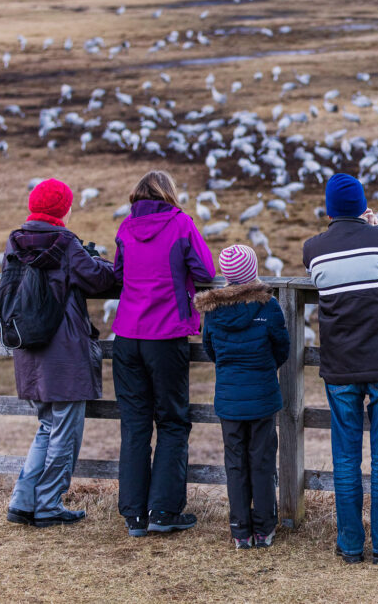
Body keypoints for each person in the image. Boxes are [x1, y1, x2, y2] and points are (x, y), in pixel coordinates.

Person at [302, 173, 378, 565]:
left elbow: (324, 276)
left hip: (340, 364)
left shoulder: (314, 250)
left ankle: (351, 543)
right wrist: (377, 228)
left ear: (328, 210)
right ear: (362, 206)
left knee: (345, 457)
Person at [5, 178, 116, 528]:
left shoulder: (15, 241)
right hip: (64, 352)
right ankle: (49, 504)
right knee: (64, 431)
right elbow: (100, 280)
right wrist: (99, 259)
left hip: (29, 348)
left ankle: (23, 500)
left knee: (46, 425)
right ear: (64, 209)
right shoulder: (65, 243)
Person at [111, 170, 216, 537]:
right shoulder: (180, 223)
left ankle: (134, 515)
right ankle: (164, 510)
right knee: (172, 421)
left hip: (126, 334)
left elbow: (118, 273)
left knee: (135, 423)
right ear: (168, 193)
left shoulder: (126, 227)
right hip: (166, 332)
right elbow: (206, 269)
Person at [194, 245, 290, 550]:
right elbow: (282, 348)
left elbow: (211, 350)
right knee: (261, 461)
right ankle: (264, 529)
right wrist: (264, 368)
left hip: (229, 397)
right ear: (253, 272)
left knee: (235, 462)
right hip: (262, 396)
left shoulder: (213, 311)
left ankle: (240, 531)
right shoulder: (269, 307)